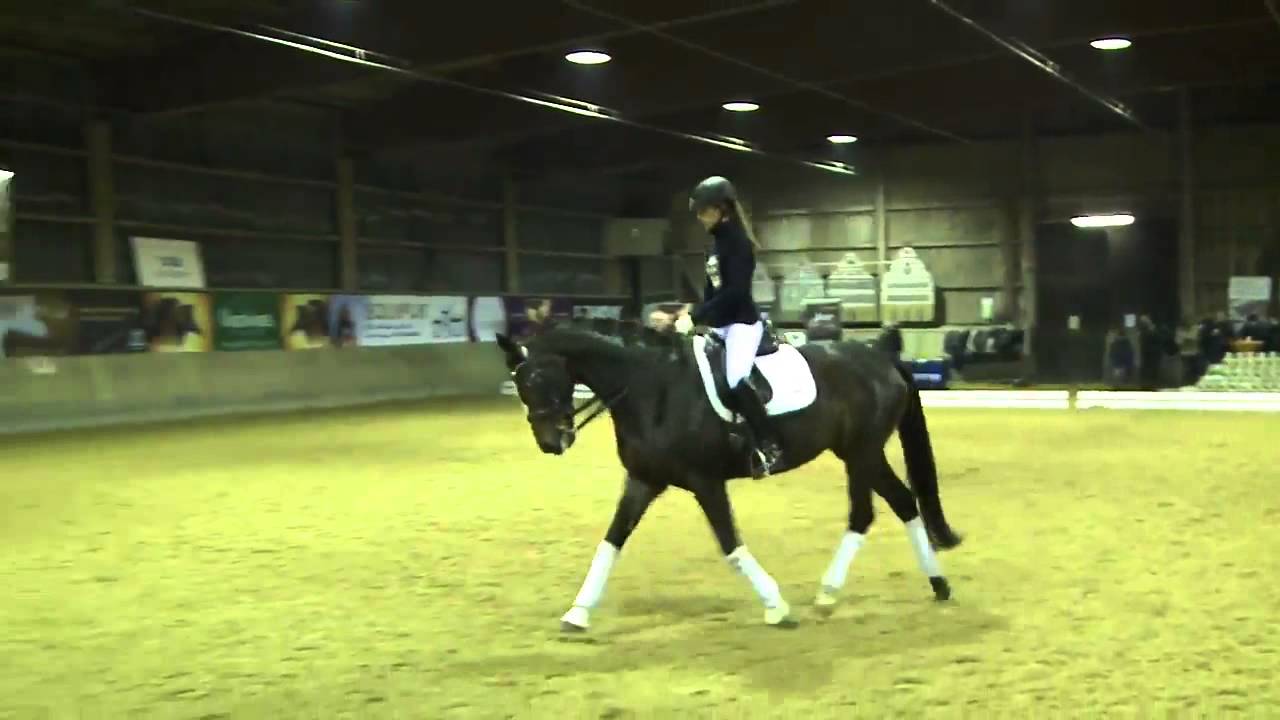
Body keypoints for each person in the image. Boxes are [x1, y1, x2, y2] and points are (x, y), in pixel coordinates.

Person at [672, 175, 783, 477]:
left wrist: (696, 318)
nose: (698, 217)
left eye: (703, 210)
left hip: (742, 324)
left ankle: (768, 443)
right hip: (720, 324)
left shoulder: (739, 244)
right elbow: (712, 292)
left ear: (722, 209)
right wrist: (696, 315)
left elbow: (735, 293)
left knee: (735, 379)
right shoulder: (715, 245)